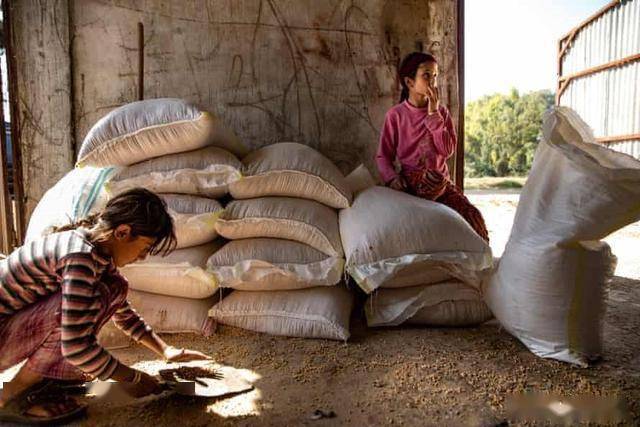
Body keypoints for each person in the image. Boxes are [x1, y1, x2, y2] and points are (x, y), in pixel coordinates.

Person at [0, 188, 211, 424]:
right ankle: (9, 396)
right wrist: (131, 378)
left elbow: (123, 312)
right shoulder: (79, 257)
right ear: (122, 232)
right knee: (78, 308)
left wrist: (166, 351)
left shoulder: (94, 254)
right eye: (144, 248)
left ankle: (46, 383)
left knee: (114, 287)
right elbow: (75, 345)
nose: (142, 257)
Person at [376, 52, 489, 241]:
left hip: (441, 183)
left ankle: (482, 261)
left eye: (435, 76)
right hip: (413, 181)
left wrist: (433, 114)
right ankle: (416, 204)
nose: (432, 81)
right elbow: (382, 156)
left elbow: (447, 150)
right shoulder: (396, 115)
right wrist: (392, 179)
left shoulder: (441, 113)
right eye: (426, 75)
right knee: (431, 178)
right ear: (410, 82)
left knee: (473, 216)